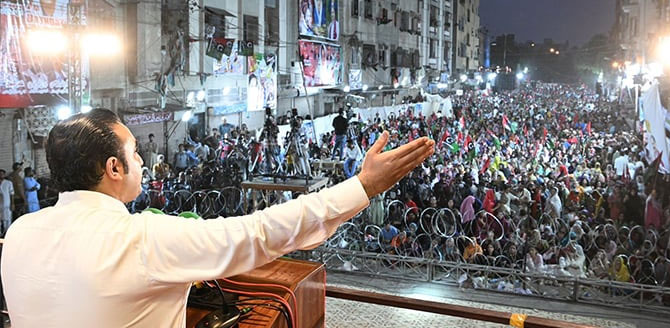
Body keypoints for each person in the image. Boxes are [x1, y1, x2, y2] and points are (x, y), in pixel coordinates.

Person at [1, 108, 435, 327]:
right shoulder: (141, 239)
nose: (143, 160)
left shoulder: (18, 233)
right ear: (113, 169)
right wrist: (364, 186)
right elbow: (259, 233)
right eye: (134, 153)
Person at [0, 169, 14, 234]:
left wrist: (12, 203)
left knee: (7, 220)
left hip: (7, 204)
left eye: (2, 174)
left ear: (4, 175)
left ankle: (7, 234)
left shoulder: (8, 183)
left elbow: (12, 194)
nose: (1, 175)